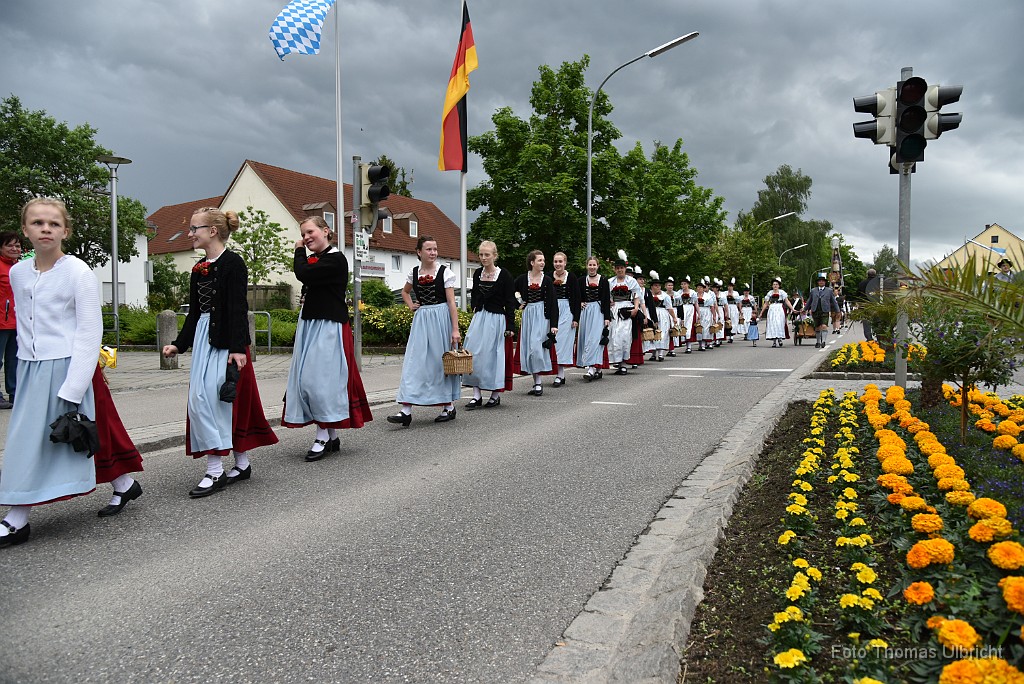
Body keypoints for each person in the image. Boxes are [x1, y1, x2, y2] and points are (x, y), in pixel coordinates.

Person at [1, 198, 144, 548]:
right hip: (31, 368)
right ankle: (125, 484)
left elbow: (89, 331)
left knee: (32, 442)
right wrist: (22, 366)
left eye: (53, 223)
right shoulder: (18, 273)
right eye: (37, 223)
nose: (45, 228)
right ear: (25, 230)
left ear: (65, 230)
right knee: (61, 437)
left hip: (67, 366)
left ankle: (17, 517)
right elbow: (23, 325)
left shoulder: (78, 271)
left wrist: (74, 386)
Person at [162, 207, 278, 497]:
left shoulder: (233, 263)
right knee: (201, 399)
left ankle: (218, 471)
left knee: (216, 400)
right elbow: (195, 312)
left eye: (194, 228)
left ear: (212, 231)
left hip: (226, 340)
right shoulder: (198, 268)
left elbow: (239, 308)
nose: (190, 234)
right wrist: (179, 343)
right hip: (204, 338)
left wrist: (239, 348)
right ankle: (238, 464)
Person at [282, 217, 372, 461]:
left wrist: (298, 250)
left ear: (325, 231)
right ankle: (331, 436)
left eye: (310, 232)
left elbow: (304, 274)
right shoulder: (319, 259)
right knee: (307, 381)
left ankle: (322, 435)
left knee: (318, 381)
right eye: (303, 234)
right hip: (310, 323)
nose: (306, 237)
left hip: (329, 325)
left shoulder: (336, 259)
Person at [389, 236, 462, 425]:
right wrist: (410, 305)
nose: (433, 253)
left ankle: (448, 406)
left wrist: (455, 329)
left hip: (440, 319)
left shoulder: (445, 273)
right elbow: (405, 292)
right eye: (429, 249)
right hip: (421, 320)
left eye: (435, 249)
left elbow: (452, 303)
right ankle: (406, 409)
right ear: (419, 252)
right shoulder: (414, 273)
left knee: (440, 364)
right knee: (414, 362)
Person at [462, 240, 516, 408]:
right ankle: (476, 394)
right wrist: (474, 308)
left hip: (497, 319)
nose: (483, 258)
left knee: (493, 356)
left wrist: (510, 326)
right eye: (481, 254)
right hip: (480, 318)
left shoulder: (505, 275)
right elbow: (475, 294)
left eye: (487, 254)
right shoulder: (478, 273)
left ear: (495, 255)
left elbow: (510, 301)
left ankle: (495, 394)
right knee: (473, 353)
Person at [513, 250, 558, 395]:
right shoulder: (521, 279)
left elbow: (553, 303)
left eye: (543, 260)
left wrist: (554, 324)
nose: (543, 263)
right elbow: (509, 291)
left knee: (537, 348)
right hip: (528, 314)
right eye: (539, 260)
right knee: (530, 349)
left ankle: (538, 383)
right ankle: (536, 382)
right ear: (532, 263)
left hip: (542, 316)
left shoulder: (547, 280)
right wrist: (517, 304)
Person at [575, 256, 611, 380]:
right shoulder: (580, 281)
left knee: (595, 339)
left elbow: (606, 300)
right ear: (587, 266)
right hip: (586, 311)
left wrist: (607, 317)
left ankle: (591, 368)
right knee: (586, 338)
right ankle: (597, 368)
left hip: (598, 311)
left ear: (598, 266)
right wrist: (579, 303)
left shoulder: (604, 280)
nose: (592, 267)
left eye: (594, 265)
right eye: (590, 265)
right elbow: (577, 297)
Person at [607, 252, 641, 375]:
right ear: (615, 269)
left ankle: (624, 362)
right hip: (614, 309)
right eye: (617, 268)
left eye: (621, 268)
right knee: (614, 335)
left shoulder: (631, 281)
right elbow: (606, 296)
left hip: (626, 309)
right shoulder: (610, 281)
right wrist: (609, 302)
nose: (620, 270)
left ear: (625, 269)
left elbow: (637, 296)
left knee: (625, 335)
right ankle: (616, 361)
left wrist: (636, 308)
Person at [550, 252, 580, 387]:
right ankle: (554, 370)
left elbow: (576, 298)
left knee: (562, 342)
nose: (558, 264)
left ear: (565, 263)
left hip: (566, 310)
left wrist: (576, 318)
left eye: (560, 261)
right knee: (552, 342)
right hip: (552, 310)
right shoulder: (548, 276)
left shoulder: (571, 277)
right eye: (556, 261)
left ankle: (560, 374)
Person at [0, 231, 22, 409]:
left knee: (14, 360)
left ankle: (15, 393)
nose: (15, 248)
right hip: (1, 322)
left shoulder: (20, 267)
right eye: (10, 245)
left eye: (17, 245)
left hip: (17, 322)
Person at [646, 272, 676, 362]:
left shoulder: (665, 296)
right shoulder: (647, 294)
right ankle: (653, 353)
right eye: (655, 285)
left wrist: (674, 317)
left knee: (662, 332)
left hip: (662, 314)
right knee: (652, 332)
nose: (658, 287)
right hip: (650, 312)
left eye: (659, 286)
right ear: (652, 286)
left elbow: (669, 308)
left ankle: (660, 353)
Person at [806, 273, 840, 349]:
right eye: (820, 281)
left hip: (825, 310)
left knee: (824, 326)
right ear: (818, 282)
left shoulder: (829, 291)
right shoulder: (813, 290)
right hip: (815, 310)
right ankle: (818, 342)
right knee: (817, 327)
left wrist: (837, 310)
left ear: (825, 282)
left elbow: (833, 301)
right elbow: (809, 301)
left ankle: (823, 341)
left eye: (823, 281)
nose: (821, 282)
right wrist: (805, 309)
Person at [760, 278, 793, 348]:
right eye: (774, 284)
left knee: (779, 323)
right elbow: (766, 303)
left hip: (779, 308)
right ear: (772, 286)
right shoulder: (770, 293)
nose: (775, 286)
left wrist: (792, 308)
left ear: (779, 285)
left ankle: (780, 338)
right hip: (772, 308)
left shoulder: (782, 292)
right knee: (772, 324)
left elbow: (787, 301)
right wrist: (761, 313)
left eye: (776, 284)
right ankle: (774, 341)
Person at [854, 268, 880, 341]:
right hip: (875, 304)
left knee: (866, 322)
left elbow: (857, 294)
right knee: (877, 321)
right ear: (875, 274)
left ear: (867, 274)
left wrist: (857, 302)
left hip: (864, 305)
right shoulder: (878, 283)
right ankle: (879, 337)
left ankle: (869, 338)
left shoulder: (862, 283)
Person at [676, 276, 699, 354]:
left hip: (690, 308)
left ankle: (689, 346)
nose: (683, 286)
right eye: (682, 284)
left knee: (688, 326)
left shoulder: (692, 292)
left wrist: (698, 313)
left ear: (688, 284)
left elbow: (696, 303)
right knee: (681, 324)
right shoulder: (679, 292)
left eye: (685, 284)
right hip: (681, 308)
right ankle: (681, 342)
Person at [695, 280, 715, 351]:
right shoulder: (695, 295)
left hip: (706, 311)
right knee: (698, 327)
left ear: (703, 288)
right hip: (697, 311)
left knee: (705, 327)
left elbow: (712, 306)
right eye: (698, 287)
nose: (699, 289)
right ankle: (700, 343)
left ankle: (704, 344)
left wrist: (714, 315)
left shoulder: (708, 296)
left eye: (701, 287)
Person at [723, 279, 741, 344]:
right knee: (727, 321)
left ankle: (732, 336)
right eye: (729, 286)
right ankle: (728, 334)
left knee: (733, 320)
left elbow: (738, 302)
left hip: (733, 306)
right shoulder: (725, 293)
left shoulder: (736, 293)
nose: (730, 287)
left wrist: (740, 310)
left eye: (731, 286)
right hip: (727, 306)